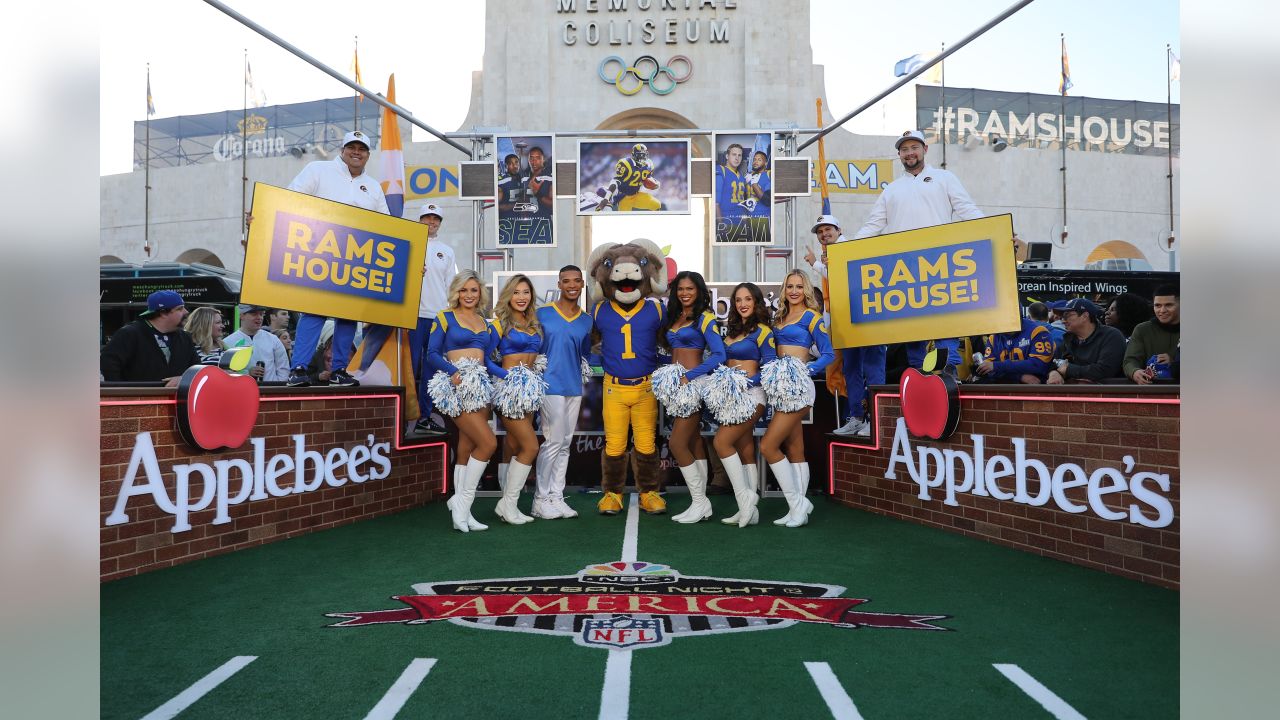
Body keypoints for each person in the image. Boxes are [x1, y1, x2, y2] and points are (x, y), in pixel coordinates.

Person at [853, 129, 986, 375]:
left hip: (940, 265)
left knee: (945, 328)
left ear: (925, 149)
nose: (909, 153)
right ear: (899, 155)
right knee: (912, 335)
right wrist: (845, 250)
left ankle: (948, 381)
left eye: (914, 147)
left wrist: (995, 232)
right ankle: (921, 386)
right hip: (906, 270)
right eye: (904, 149)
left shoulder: (944, 177)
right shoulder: (891, 189)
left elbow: (967, 209)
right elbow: (873, 226)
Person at [285, 130, 389, 388]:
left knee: (347, 316)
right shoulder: (318, 169)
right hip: (320, 251)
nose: (356, 152)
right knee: (314, 312)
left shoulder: (373, 186)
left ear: (368, 154)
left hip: (355, 259)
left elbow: (389, 227)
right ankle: (298, 369)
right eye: (351, 147)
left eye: (362, 148)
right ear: (342, 150)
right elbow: (290, 199)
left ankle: (340, 370)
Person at [760, 270, 834, 528]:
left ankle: (798, 504)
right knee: (795, 449)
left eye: (799, 286)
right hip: (780, 387)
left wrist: (807, 369)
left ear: (806, 290)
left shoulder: (811, 317)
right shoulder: (779, 316)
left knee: (768, 446)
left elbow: (829, 354)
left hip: (798, 387)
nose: (793, 291)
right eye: (789, 286)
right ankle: (797, 510)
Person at [426, 271, 498, 533]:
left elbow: (488, 360)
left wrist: (507, 376)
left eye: (474, 290)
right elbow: (432, 353)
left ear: (481, 293)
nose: (469, 295)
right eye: (464, 290)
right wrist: (452, 371)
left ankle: (463, 513)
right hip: (456, 387)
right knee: (488, 443)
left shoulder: (484, 321)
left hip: (480, 388)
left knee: (466, 447)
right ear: (456, 291)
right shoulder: (444, 317)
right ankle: (461, 503)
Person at [654, 271, 726, 524]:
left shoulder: (705, 318)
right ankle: (701, 504)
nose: (685, 293)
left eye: (690, 289)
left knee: (677, 444)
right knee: (694, 441)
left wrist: (689, 376)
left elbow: (719, 355)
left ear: (699, 292)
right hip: (675, 385)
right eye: (681, 289)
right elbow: (674, 352)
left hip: (692, 385)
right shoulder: (676, 316)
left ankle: (699, 502)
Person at [806, 215, 887, 438]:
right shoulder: (831, 254)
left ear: (839, 230)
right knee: (851, 370)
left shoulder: (849, 247)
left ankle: (875, 419)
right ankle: (858, 418)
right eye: (820, 231)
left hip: (867, 318)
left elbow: (845, 275)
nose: (824, 234)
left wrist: (815, 264)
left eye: (828, 229)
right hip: (847, 320)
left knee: (872, 370)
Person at [709, 282, 774, 527]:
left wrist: (745, 382)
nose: (743, 304)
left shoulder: (764, 331)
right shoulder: (732, 330)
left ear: (756, 302)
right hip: (730, 397)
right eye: (738, 300)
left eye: (748, 299)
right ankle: (748, 510)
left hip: (752, 395)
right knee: (745, 449)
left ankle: (746, 502)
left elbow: (769, 367)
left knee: (721, 442)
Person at [534, 265, 594, 520]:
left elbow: (586, 354)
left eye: (576, 281)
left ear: (582, 285)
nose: (571, 285)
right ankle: (540, 498)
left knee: (566, 443)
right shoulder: (542, 313)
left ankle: (556, 497)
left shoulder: (586, 319)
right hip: (549, 385)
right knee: (553, 441)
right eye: (566, 281)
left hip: (573, 386)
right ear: (559, 284)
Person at [485, 274, 544, 525]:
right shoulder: (499, 324)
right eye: (517, 292)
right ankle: (507, 503)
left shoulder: (534, 322)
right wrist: (506, 376)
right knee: (531, 447)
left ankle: (509, 503)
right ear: (509, 295)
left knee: (514, 444)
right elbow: (484, 359)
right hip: (509, 391)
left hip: (529, 389)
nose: (522, 297)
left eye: (526, 292)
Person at [408, 202, 457, 436]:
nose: (431, 222)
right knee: (409, 367)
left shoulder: (447, 251)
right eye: (427, 217)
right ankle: (403, 416)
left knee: (430, 370)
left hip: (437, 318)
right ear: (419, 220)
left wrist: (450, 316)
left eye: (435, 218)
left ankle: (424, 418)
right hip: (412, 316)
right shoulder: (408, 245)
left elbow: (451, 288)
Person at [100, 290, 201, 386]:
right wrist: (123, 392)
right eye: (179, 308)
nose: (186, 312)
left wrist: (183, 379)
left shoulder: (185, 338)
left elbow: (197, 369)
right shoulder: (130, 334)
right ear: (163, 313)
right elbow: (108, 364)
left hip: (177, 400)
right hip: (139, 400)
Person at [1047, 298, 1127, 384]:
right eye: (1062, 317)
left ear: (1085, 316)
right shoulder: (1068, 339)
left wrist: (1069, 369)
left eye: (1067, 315)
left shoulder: (1111, 336)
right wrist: (1053, 373)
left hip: (1107, 394)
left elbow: (1105, 370)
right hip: (1075, 394)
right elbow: (1054, 364)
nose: (1063, 320)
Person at [973, 317, 1057, 384]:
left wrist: (997, 366)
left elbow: (1038, 364)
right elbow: (988, 369)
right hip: (1005, 390)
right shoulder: (993, 337)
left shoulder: (1038, 331)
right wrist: (1019, 376)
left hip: (1037, 389)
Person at [1123, 285, 1180, 384]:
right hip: (1150, 389)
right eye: (1157, 305)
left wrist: (1174, 364)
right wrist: (1134, 372)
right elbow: (1130, 361)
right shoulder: (1142, 329)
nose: (1162, 310)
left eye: (1169, 305)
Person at [224, 304, 290, 382]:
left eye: (261, 314)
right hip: (243, 391)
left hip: (270, 391)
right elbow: (225, 372)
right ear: (242, 316)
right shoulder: (228, 342)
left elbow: (283, 368)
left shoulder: (273, 339)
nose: (259, 317)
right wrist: (247, 373)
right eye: (254, 314)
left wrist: (277, 387)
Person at [597, 143, 662, 212]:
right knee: (624, 218)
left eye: (644, 155)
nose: (643, 157)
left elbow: (647, 178)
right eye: (641, 155)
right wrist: (606, 199)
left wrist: (656, 183)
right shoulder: (626, 163)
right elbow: (615, 181)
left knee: (657, 205)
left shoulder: (648, 165)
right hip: (624, 197)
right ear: (634, 155)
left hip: (636, 195)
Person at [715, 143, 748, 238]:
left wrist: (746, 224)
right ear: (727, 156)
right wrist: (721, 224)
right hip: (726, 222)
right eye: (734, 154)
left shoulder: (741, 177)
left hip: (740, 225)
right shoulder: (721, 170)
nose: (737, 158)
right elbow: (715, 203)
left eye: (739, 155)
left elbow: (743, 204)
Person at [526, 146, 553, 218]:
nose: (534, 161)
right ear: (528, 160)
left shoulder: (549, 178)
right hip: (526, 220)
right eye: (531, 158)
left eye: (538, 158)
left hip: (544, 219)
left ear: (543, 159)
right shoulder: (523, 177)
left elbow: (553, 204)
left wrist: (537, 193)